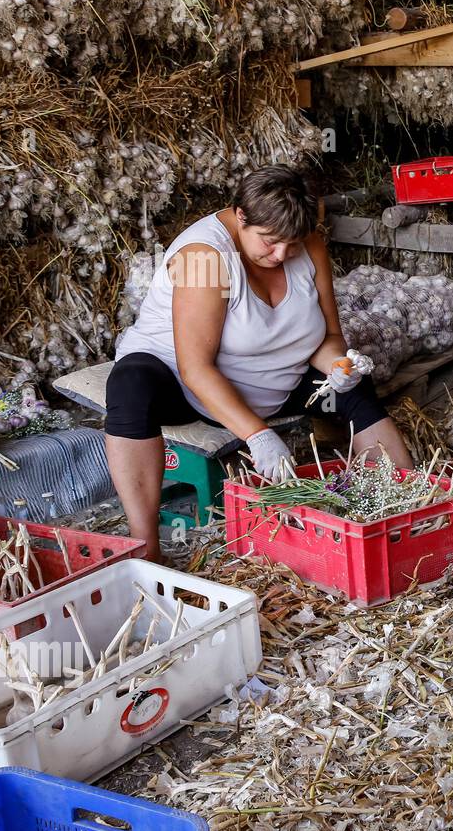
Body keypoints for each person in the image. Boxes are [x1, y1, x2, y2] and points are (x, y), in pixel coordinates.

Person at [106, 165, 415, 559]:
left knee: (355, 390)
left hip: (277, 379)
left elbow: (328, 337)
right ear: (240, 216)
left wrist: (339, 365)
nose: (282, 254)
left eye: (293, 244)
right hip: (189, 388)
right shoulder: (205, 258)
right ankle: (145, 547)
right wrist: (258, 435)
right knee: (130, 385)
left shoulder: (308, 246)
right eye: (269, 242)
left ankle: (403, 505)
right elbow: (195, 368)